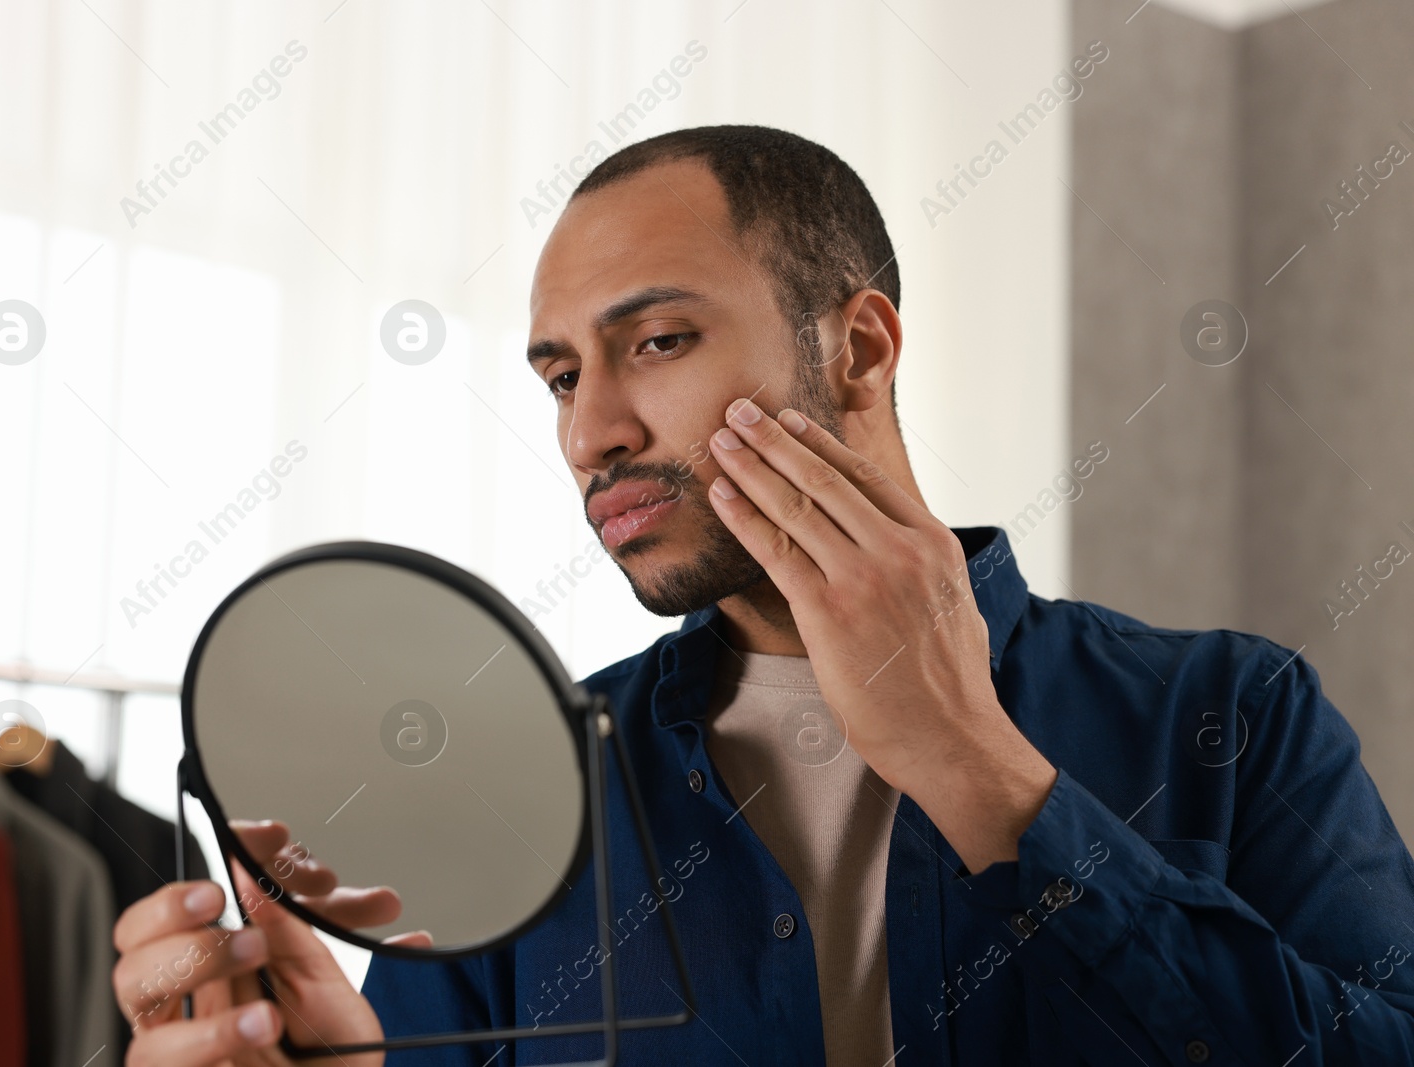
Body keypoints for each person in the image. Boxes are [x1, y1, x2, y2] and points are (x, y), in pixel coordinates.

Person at [111, 125, 1414, 1065]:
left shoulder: (1232, 717)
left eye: (658, 342)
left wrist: (975, 768)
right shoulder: (522, 785)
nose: (591, 433)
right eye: (562, 377)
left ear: (857, 347)